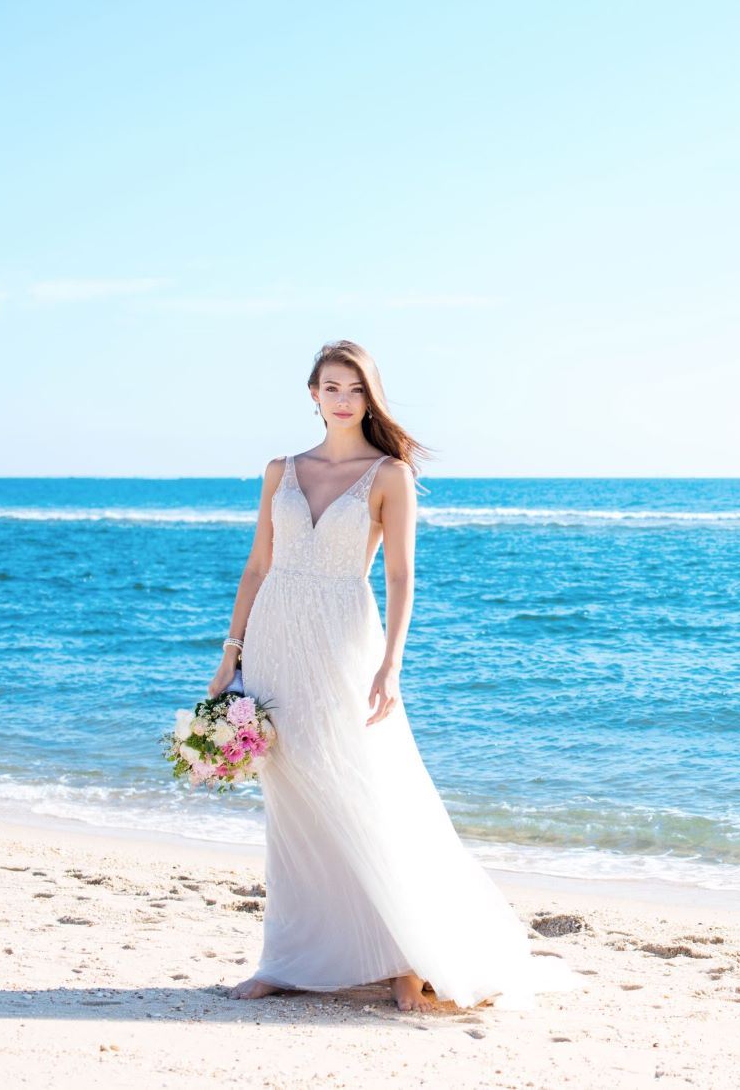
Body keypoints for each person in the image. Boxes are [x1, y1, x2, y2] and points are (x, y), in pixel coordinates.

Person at [209, 339, 579, 1012]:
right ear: (312, 395)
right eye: (330, 386)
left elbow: (403, 575)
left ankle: (404, 958)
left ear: (368, 396)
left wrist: (392, 663)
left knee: (365, 791)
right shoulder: (280, 469)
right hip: (275, 639)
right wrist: (229, 652)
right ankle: (286, 959)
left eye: (354, 387)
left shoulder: (390, 475)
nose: (342, 398)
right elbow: (257, 566)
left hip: (345, 638)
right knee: (292, 808)